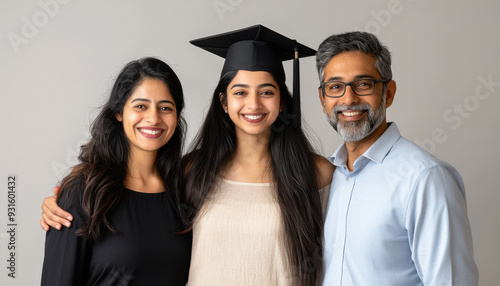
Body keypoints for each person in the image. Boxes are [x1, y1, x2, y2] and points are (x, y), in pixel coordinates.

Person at [40, 25, 334, 286]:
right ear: (224, 101)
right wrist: (72, 188)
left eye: (267, 92)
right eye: (240, 92)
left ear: (282, 101)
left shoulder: (316, 174)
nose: (253, 104)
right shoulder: (193, 170)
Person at [316, 31, 479, 285]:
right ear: (323, 98)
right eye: (335, 87)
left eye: (363, 84)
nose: (348, 99)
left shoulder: (425, 179)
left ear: (388, 93)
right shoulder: (327, 177)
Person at [41, 57, 191, 285]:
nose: (153, 118)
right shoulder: (84, 191)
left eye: (165, 108)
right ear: (119, 112)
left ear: (176, 117)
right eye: (141, 106)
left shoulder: (185, 191)